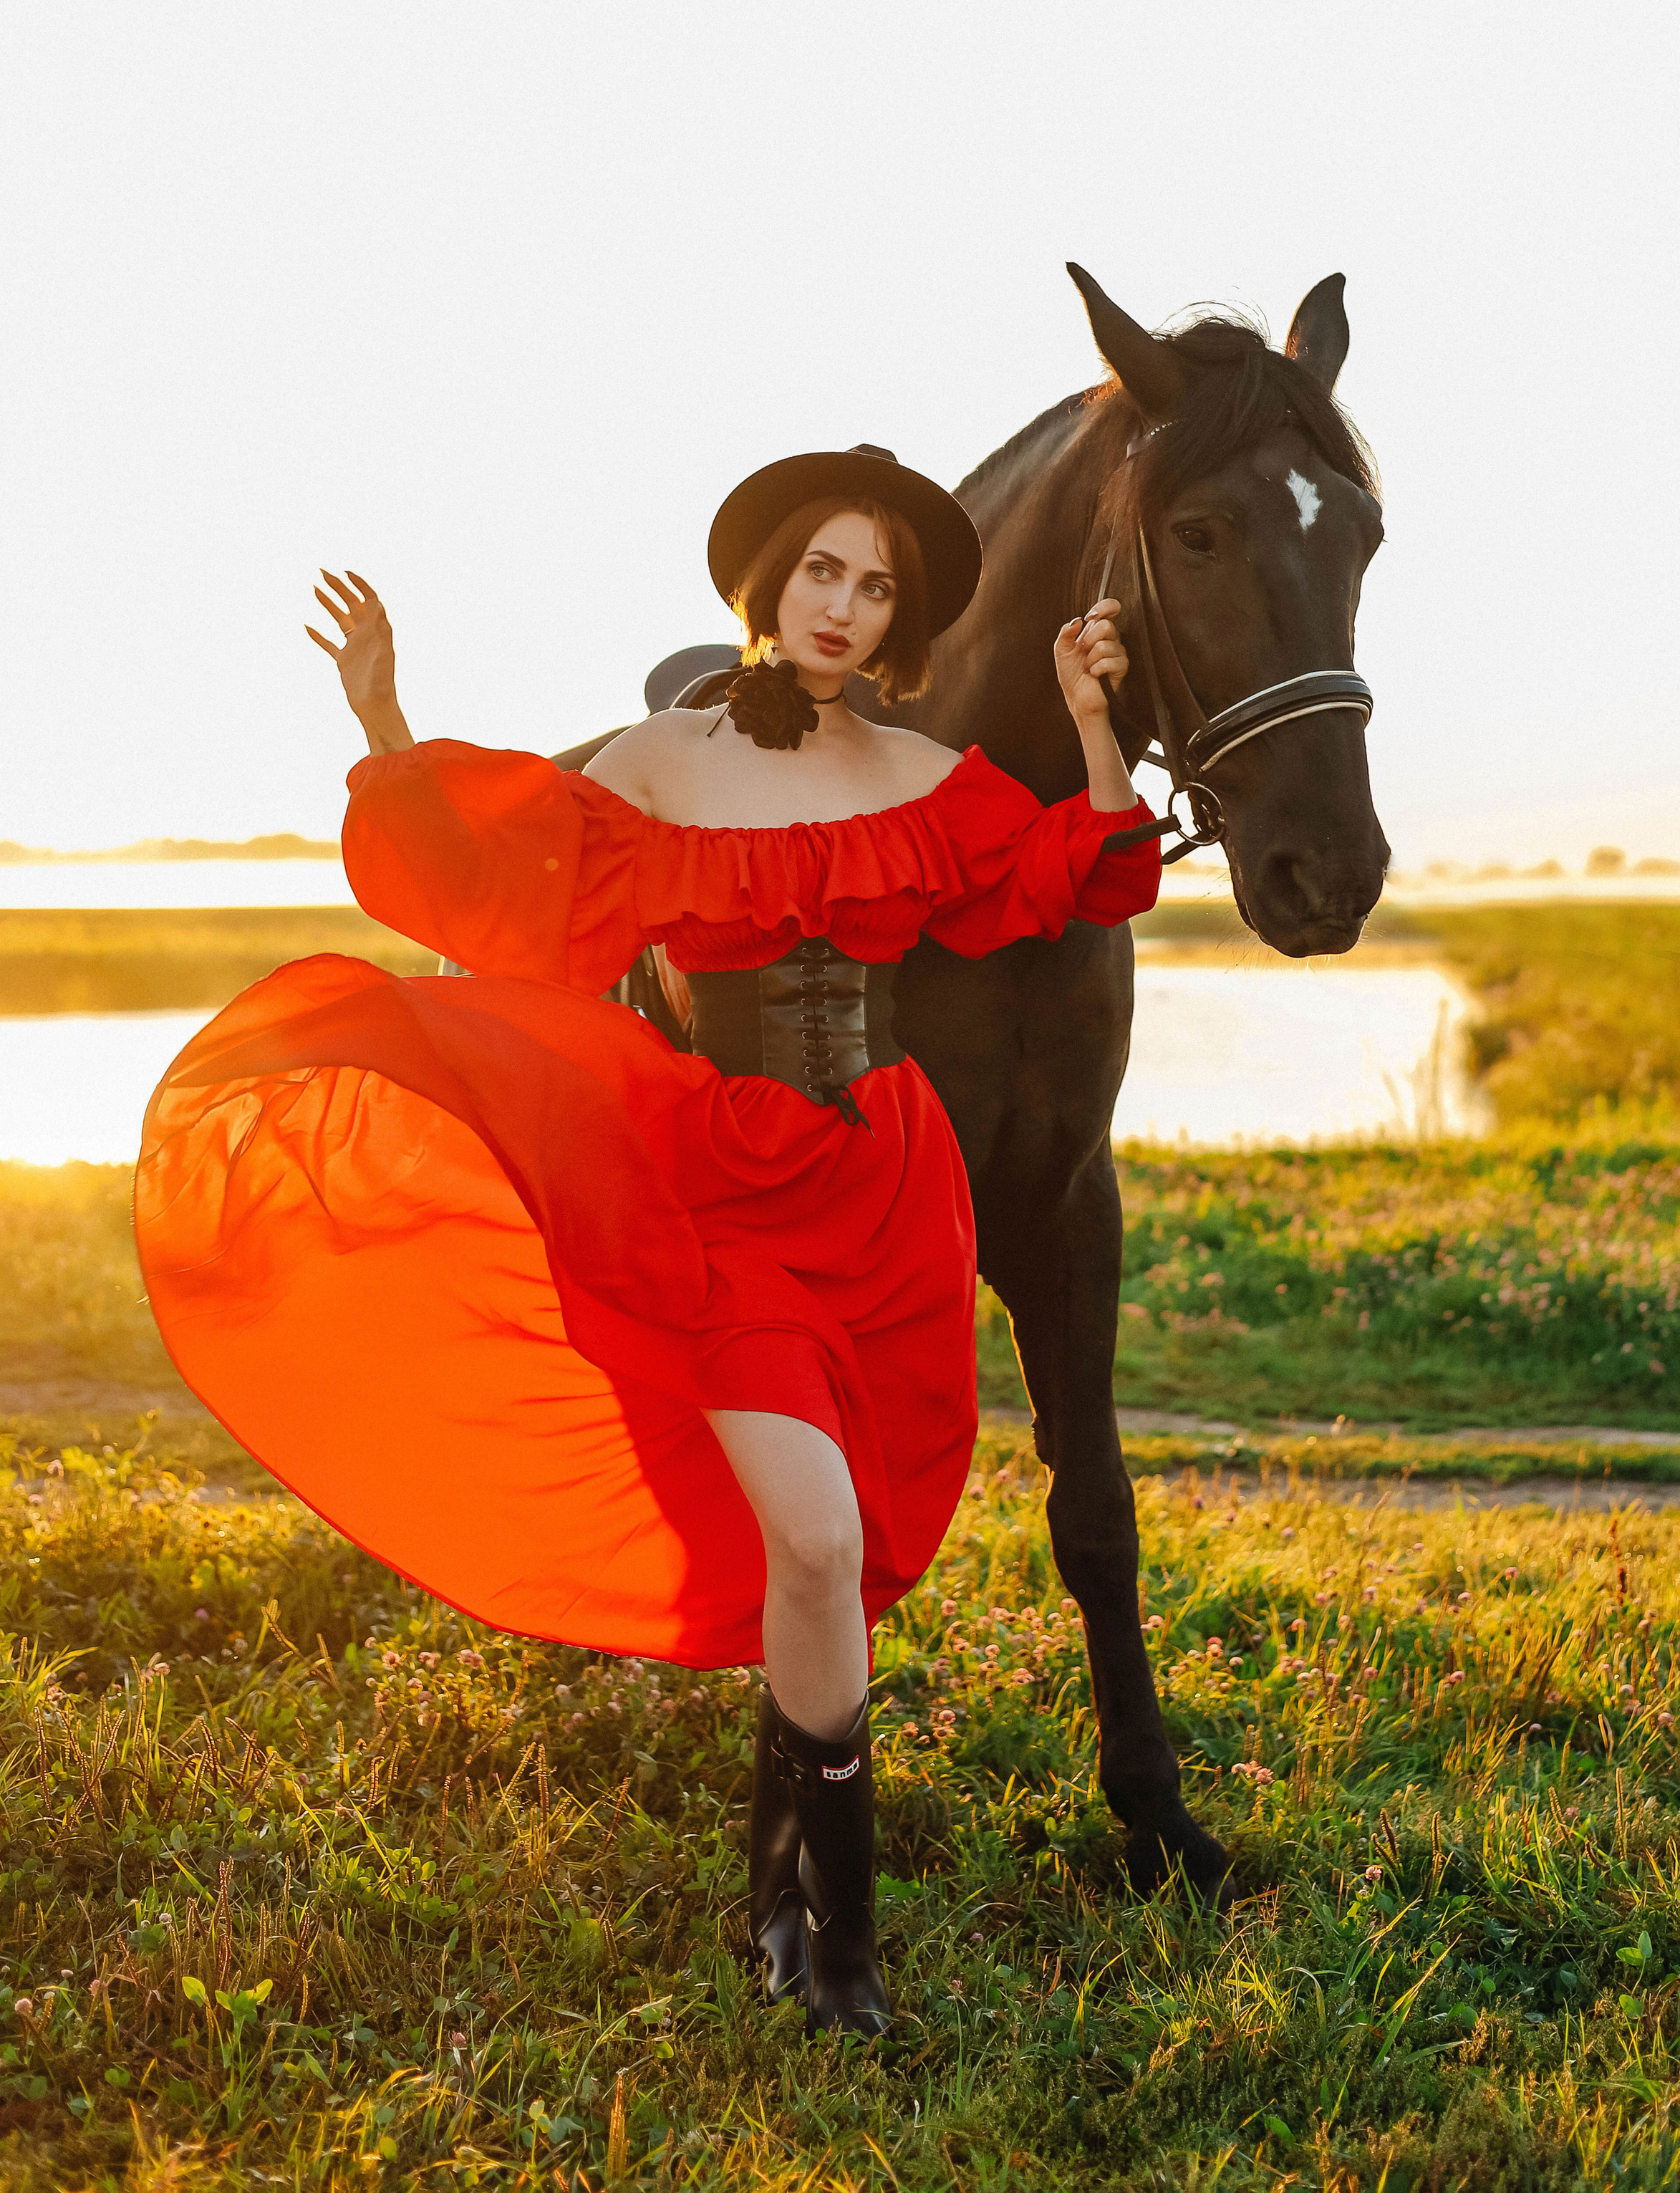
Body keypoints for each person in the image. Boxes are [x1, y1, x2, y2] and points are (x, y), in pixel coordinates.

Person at [135, 441, 1161, 2039]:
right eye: (821, 570)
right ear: (771, 584)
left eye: (874, 585)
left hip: (885, 1194)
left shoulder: (917, 774)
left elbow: (1080, 872)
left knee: (837, 1553)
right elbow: (494, 881)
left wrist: (1092, 719)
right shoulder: (663, 760)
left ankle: (780, 1891)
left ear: (897, 620)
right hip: (724, 1192)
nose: (841, 604)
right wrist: (386, 720)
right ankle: (842, 1947)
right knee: (811, 1541)